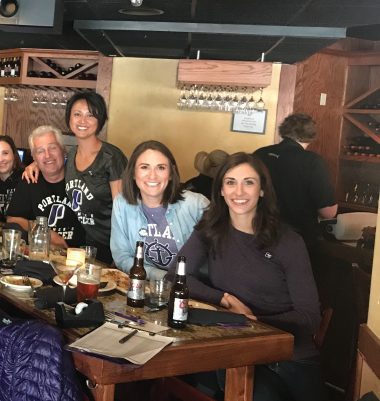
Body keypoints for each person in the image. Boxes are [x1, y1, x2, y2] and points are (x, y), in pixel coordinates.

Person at [169, 152, 324, 401]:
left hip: (289, 354)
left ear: (262, 190)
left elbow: (309, 317)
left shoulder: (288, 241)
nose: (238, 191)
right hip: (236, 348)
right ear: (220, 189)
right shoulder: (208, 231)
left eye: (249, 182)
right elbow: (175, 278)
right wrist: (223, 299)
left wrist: (251, 321)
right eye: (230, 182)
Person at [22, 92, 127, 264]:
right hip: (88, 245)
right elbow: (52, 163)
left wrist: (120, 255)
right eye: (77, 114)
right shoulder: (71, 156)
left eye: (90, 115)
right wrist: (35, 164)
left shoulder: (111, 158)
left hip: (112, 248)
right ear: (69, 118)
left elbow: (124, 213)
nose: (83, 121)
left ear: (100, 120)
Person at [111, 140, 208, 278]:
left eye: (161, 167)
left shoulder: (197, 204)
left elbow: (219, 259)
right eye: (144, 167)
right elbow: (122, 257)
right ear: (133, 172)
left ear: (170, 173)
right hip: (147, 287)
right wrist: (163, 277)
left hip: (192, 290)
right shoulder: (122, 203)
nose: (152, 175)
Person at [254, 114, 337, 246]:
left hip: (260, 230)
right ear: (311, 135)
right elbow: (328, 212)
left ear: (282, 131)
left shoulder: (260, 154)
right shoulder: (313, 161)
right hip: (298, 236)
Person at [6, 125, 86, 248]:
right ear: (34, 158)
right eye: (40, 151)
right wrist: (43, 231)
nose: (47, 155)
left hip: (80, 256)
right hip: (41, 256)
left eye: (52, 148)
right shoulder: (29, 179)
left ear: (64, 151)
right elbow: (12, 219)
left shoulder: (81, 177)